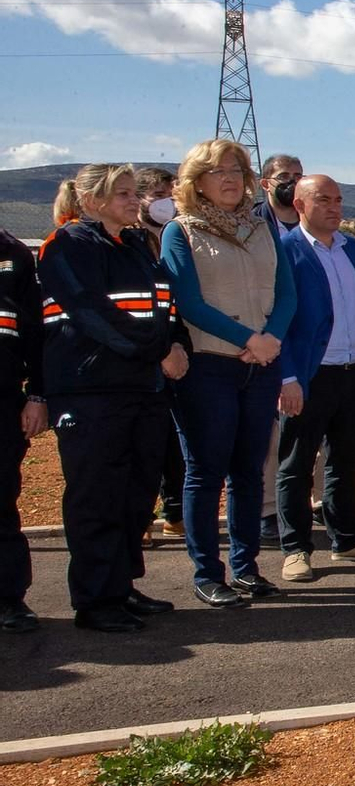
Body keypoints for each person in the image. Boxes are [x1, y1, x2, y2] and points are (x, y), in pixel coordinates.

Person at [39, 163, 187, 631]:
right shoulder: (68, 246)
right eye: (121, 193)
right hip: (93, 391)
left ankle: (121, 585)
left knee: (135, 491)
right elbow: (92, 315)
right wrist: (159, 352)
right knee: (97, 496)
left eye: (132, 192)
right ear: (91, 200)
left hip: (143, 388)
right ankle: (95, 600)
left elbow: (165, 306)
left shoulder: (137, 245)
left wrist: (177, 342)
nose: (133, 200)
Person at [161, 139, 298, 607]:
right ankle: (207, 573)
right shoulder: (180, 232)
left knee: (248, 472)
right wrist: (249, 340)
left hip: (260, 367)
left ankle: (246, 568)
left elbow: (287, 292)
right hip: (209, 368)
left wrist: (271, 338)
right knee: (206, 470)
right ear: (196, 181)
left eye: (237, 170)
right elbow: (189, 303)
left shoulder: (262, 229)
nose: (230, 178)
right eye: (218, 171)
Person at [274, 175, 355, 582]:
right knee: (296, 463)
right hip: (312, 374)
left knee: (346, 461)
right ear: (300, 204)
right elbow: (278, 320)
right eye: (323, 199)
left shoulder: (354, 248)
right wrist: (287, 375)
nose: (334, 207)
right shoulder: (283, 250)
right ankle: (295, 549)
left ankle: (347, 540)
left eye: (339, 199)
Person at [251, 153, 303, 546]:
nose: (293, 182)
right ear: (266, 182)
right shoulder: (254, 225)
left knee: (309, 427)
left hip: (308, 335)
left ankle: (312, 501)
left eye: (299, 176)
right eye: (285, 176)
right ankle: (268, 509)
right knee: (271, 432)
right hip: (267, 334)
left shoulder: (309, 217)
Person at [134, 167, 186, 543]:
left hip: (180, 354)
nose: (166, 202)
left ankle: (175, 512)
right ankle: (139, 519)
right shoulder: (127, 244)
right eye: (157, 196)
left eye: (171, 194)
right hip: (141, 360)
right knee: (141, 447)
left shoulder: (180, 238)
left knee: (175, 444)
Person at [0, 222, 46, 633]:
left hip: (4, 398)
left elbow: (34, 332)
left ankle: (9, 598)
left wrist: (37, 395)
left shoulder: (12, 253)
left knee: (2, 500)